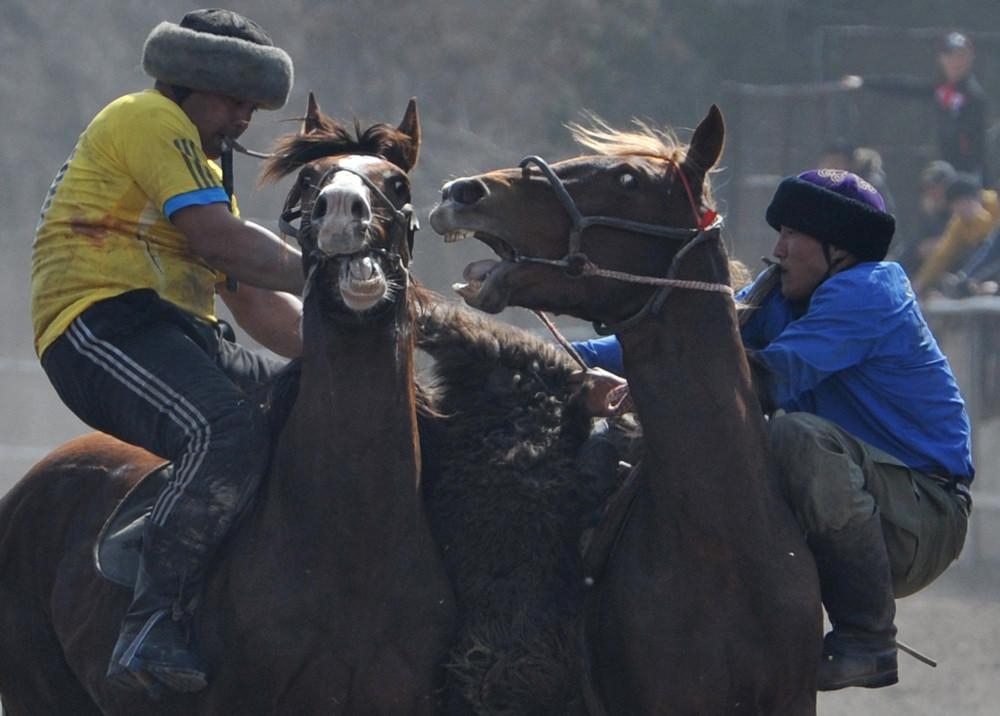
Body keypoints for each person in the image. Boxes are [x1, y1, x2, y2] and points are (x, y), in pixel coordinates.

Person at [572, 169, 973, 691]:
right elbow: (668, 342)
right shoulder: (784, 298)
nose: (777, 249)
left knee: (794, 437)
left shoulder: (869, 293)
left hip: (922, 516)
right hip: (859, 493)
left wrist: (642, 388)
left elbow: (768, 379)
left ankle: (867, 637)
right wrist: (552, 360)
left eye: (792, 235)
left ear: (839, 249)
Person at [31, 9, 303, 693]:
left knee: (309, 410)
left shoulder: (202, 164)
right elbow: (220, 242)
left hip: (178, 333)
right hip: (100, 322)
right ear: (186, 81)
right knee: (226, 430)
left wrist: (357, 330)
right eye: (233, 98)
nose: (244, 116)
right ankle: (153, 618)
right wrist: (336, 268)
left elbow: (256, 301)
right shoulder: (150, 121)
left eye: (253, 102)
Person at [851, 31, 990, 184]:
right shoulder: (941, 89)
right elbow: (904, 87)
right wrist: (864, 82)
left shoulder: (974, 96)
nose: (955, 61)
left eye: (960, 56)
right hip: (947, 170)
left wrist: (970, 178)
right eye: (949, 56)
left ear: (970, 59)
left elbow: (975, 147)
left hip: (968, 175)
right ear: (941, 59)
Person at [912, 171, 1000, 295]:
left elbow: (992, 236)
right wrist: (919, 284)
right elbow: (942, 253)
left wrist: (977, 217)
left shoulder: (993, 203)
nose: (956, 210)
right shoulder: (959, 221)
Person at [893, 159, 958, 276]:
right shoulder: (929, 209)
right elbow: (915, 242)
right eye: (929, 187)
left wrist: (943, 242)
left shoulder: (958, 207)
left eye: (936, 187)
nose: (932, 192)